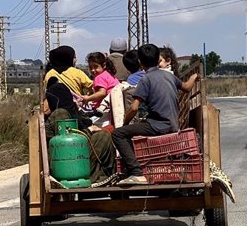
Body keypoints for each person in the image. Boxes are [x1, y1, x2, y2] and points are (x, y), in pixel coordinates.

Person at [112, 44, 198, 185]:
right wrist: (194, 76)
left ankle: (136, 172)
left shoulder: (146, 79)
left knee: (118, 134)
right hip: (173, 124)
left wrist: (124, 123)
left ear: (140, 62)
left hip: (158, 126)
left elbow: (134, 108)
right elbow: (187, 88)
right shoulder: (169, 76)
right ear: (158, 59)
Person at [43, 76, 116, 184]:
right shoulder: (60, 113)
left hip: (75, 156)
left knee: (103, 134)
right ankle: (95, 177)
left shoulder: (70, 111)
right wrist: (89, 131)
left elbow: (85, 121)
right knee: (102, 137)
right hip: (67, 161)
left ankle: (104, 175)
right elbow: (68, 142)